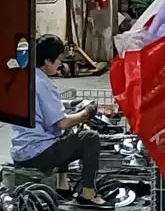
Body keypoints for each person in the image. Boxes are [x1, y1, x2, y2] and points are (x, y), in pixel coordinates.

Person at [11, 34, 100, 194]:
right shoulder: (44, 84)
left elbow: (43, 107)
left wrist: (70, 104)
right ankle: (89, 193)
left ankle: (62, 185)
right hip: (38, 154)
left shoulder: (26, 77)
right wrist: (86, 113)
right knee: (89, 138)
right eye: (58, 59)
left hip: (21, 151)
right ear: (47, 60)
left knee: (65, 135)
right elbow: (62, 122)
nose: (60, 64)